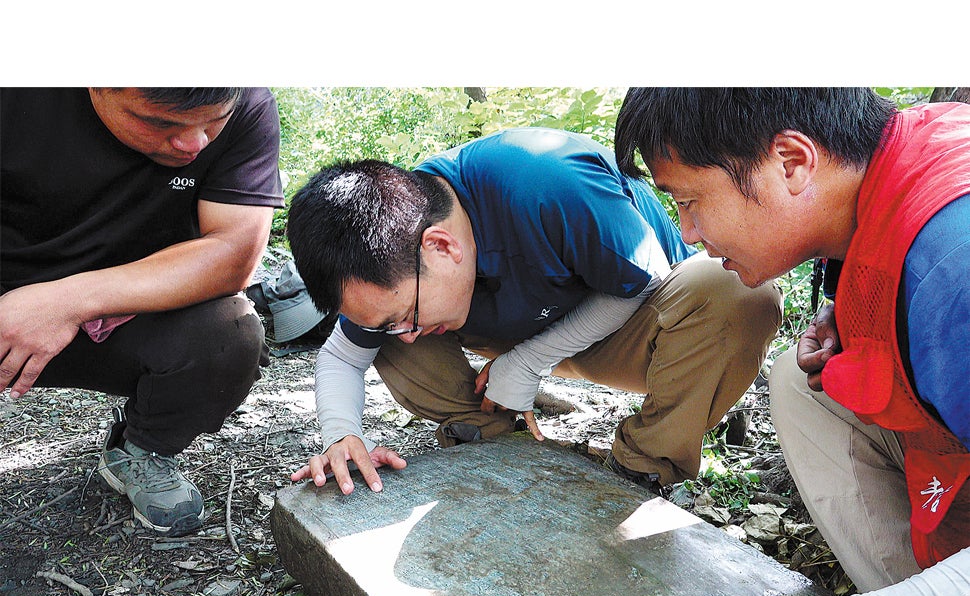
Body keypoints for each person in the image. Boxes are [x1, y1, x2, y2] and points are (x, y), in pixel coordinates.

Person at [614, 87, 970, 596]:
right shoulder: (907, 162)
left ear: (792, 163)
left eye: (688, 202)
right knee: (804, 386)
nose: (688, 234)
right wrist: (856, 313)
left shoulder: (954, 268)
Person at [285, 127, 782, 504]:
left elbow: (642, 280)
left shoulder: (545, 181)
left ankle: (642, 470)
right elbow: (343, 356)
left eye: (406, 315)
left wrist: (527, 363)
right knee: (388, 329)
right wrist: (340, 435)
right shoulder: (384, 253)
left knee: (737, 293)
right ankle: (494, 438)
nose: (407, 337)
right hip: (512, 335)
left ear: (441, 246)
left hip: (633, 322)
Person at [1, 88, 284, 537]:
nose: (195, 144)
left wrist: (64, 301)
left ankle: (141, 451)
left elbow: (233, 251)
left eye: (215, 120)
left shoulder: (250, 102)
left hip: (133, 311)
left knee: (230, 334)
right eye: (160, 123)